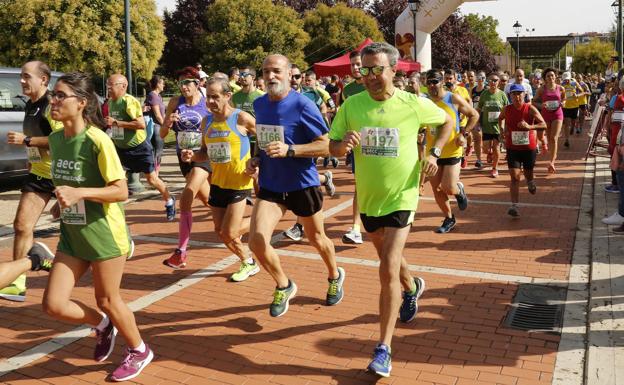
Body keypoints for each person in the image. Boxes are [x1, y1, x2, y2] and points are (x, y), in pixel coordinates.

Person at [329, 42, 454, 378]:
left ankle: (383, 348)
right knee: (388, 256)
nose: (369, 76)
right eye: (364, 70)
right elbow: (334, 144)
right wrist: (343, 146)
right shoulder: (352, 105)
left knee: (386, 267)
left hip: (403, 196)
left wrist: (434, 154)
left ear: (393, 70)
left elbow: (448, 121)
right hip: (370, 199)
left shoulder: (413, 104)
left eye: (376, 70)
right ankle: (412, 287)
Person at [43, 72, 153, 382]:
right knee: (53, 305)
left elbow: (120, 191)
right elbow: (70, 182)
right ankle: (103, 325)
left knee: (108, 298)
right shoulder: (55, 139)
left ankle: (139, 350)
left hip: (104, 233)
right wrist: (60, 201)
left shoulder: (97, 139)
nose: (54, 100)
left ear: (81, 103)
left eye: (60, 95)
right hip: (72, 234)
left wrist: (80, 193)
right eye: (54, 94)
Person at [246, 54, 345, 318]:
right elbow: (264, 140)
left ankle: (334, 274)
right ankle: (284, 284)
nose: (270, 76)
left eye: (276, 71)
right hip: (271, 185)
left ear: (290, 74)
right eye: (266, 71)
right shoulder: (259, 104)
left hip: (302, 184)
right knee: (256, 242)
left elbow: (327, 145)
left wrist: (291, 150)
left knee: (316, 239)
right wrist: (255, 158)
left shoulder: (303, 105)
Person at [182, 77, 259, 281]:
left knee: (229, 231)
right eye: (208, 97)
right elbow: (204, 153)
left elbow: (265, 136)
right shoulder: (206, 121)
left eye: (215, 97)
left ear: (228, 96)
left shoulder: (241, 118)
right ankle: (248, 262)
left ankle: (261, 225)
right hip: (218, 183)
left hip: (239, 181)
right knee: (220, 231)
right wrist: (192, 156)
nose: (210, 101)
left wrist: (258, 160)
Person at [3, 61, 63, 301]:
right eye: (21, 76)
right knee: (21, 225)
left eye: (27, 76)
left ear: (44, 80)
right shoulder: (31, 104)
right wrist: (31, 158)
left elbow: (61, 140)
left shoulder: (51, 105)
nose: (21, 81)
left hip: (62, 176)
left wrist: (27, 141)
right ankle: (17, 283)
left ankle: (120, 245)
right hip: (39, 174)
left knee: (82, 232)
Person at [161, 67, 212, 269]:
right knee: (209, 200)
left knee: (186, 198)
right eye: (180, 83)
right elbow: (163, 135)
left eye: (187, 83)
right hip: (183, 158)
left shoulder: (207, 102)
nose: (183, 87)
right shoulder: (175, 102)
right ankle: (233, 225)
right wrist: (168, 122)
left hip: (202, 156)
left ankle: (181, 252)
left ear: (197, 83)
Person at [105, 74, 175, 220]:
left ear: (123, 86)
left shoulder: (129, 101)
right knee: (114, 178)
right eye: (107, 85)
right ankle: (112, 213)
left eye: (111, 85)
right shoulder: (111, 102)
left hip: (139, 148)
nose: (109, 88)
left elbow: (140, 124)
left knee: (152, 180)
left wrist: (116, 123)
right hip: (120, 148)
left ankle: (169, 200)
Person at [280, 66, 338, 242]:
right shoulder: (279, 96)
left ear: (302, 77)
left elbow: (324, 109)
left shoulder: (312, 94)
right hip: (286, 144)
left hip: (308, 144)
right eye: (293, 76)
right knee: (301, 175)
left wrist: (318, 123)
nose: (295, 80)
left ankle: (299, 226)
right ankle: (325, 178)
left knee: (301, 178)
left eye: (298, 76)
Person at [425, 69, 477, 233]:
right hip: (433, 153)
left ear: (442, 82)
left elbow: (474, 115)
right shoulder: (425, 102)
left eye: (435, 81)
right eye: (429, 82)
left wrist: (464, 134)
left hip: (453, 149)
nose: (432, 85)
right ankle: (449, 218)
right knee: (436, 188)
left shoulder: (452, 98)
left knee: (448, 187)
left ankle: (458, 190)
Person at [498, 84, 546, 217]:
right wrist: (502, 131)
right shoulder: (506, 109)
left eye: (519, 93)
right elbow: (500, 119)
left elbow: (543, 124)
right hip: (512, 148)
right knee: (514, 177)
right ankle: (514, 206)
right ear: (510, 96)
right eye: (514, 94)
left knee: (528, 174)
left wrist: (530, 126)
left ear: (524, 95)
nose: (517, 96)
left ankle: (530, 182)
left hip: (528, 148)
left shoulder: (530, 108)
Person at [533, 68, 565, 173]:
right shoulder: (541, 89)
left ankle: (552, 162)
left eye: (552, 75)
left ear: (555, 77)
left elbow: (563, 98)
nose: (550, 77)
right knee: (545, 137)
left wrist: (563, 103)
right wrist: (541, 105)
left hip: (557, 114)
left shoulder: (560, 88)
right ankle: (546, 146)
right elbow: (534, 102)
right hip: (546, 115)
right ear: (545, 78)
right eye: (548, 76)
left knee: (554, 138)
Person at [477, 73, 509, 178]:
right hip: (486, 126)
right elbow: (479, 108)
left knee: (496, 148)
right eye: (491, 80)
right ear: (488, 81)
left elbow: (507, 110)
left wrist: (506, 124)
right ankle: (489, 153)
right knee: (485, 149)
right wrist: (476, 121)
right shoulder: (484, 94)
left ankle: (495, 168)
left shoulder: (502, 95)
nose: (493, 82)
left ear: (499, 82)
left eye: (495, 80)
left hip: (498, 126)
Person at [444, 69, 472, 168]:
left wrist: (468, 113)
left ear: (455, 79)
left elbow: (469, 102)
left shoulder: (462, 90)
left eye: (450, 78)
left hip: (461, 122)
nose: (448, 80)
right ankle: (457, 157)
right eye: (446, 78)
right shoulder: (442, 91)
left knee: (460, 141)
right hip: (448, 122)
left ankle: (461, 156)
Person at [144, 76, 166, 174]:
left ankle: (156, 174)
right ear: (157, 84)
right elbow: (158, 115)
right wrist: (165, 125)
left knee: (157, 152)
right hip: (155, 127)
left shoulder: (158, 96)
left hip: (158, 127)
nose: (164, 85)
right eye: (162, 83)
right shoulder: (153, 96)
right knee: (157, 152)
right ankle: (155, 175)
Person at [560, 72, 583, 148]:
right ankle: (567, 140)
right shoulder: (561, 85)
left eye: (567, 79)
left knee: (573, 122)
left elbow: (582, 92)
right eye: (565, 79)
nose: (566, 81)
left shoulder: (574, 83)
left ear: (570, 78)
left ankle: (573, 127)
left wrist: (577, 95)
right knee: (566, 124)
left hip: (574, 106)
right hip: (566, 107)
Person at [470, 71, 487, 169]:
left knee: (487, 140)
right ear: (477, 78)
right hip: (476, 116)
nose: (481, 80)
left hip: (486, 116)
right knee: (477, 138)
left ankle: (489, 152)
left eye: (483, 78)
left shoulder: (487, 89)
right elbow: (470, 102)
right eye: (480, 77)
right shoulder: (473, 90)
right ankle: (479, 159)